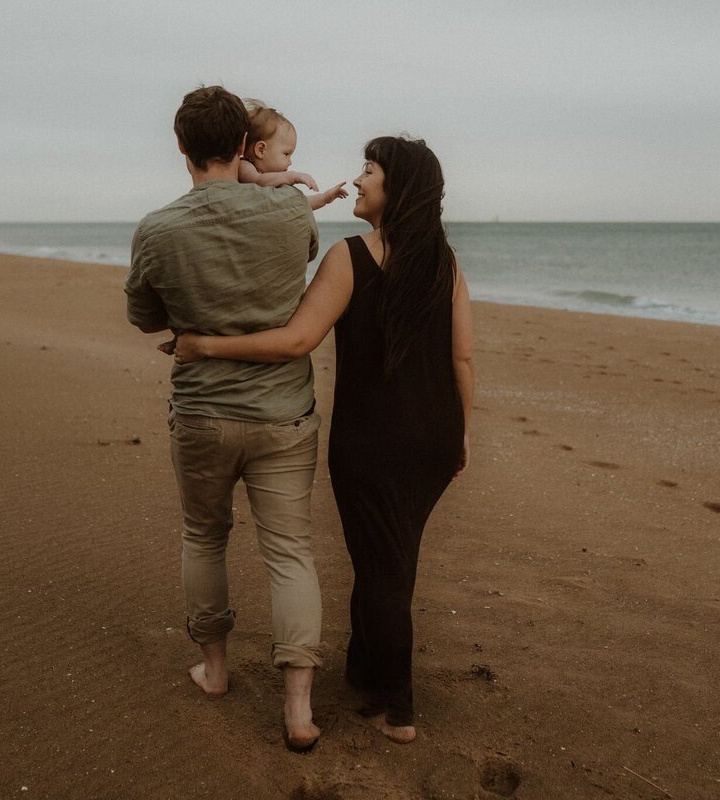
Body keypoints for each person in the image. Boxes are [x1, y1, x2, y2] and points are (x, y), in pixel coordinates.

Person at [173, 135, 475, 744]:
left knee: (384, 568)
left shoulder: (352, 256)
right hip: (436, 437)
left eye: (369, 171)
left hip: (372, 443)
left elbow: (294, 340)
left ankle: (399, 709)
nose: (358, 180)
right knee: (389, 557)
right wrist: (460, 435)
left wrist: (205, 344)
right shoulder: (443, 261)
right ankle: (365, 673)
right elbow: (462, 358)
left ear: (398, 189)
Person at [125, 85, 332, 753]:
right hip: (283, 413)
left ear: (182, 149)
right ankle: (298, 708)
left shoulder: (158, 228)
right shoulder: (288, 212)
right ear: (245, 145)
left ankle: (214, 670)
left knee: (204, 536)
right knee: (291, 552)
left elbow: (145, 317)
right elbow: (301, 262)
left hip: (204, 413)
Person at [237, 99, 347, 212]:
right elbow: (258, 181)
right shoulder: (244, 165)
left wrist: (324, 198)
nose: (290, 162)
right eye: (286, 154)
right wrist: (293, 177)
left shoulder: (274, 180)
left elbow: (297, 203)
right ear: (261, 150)